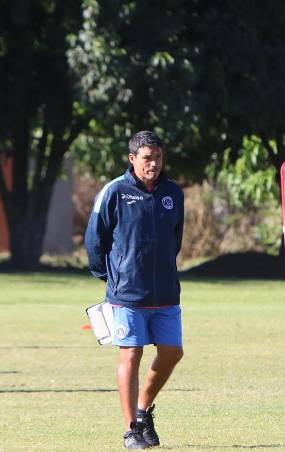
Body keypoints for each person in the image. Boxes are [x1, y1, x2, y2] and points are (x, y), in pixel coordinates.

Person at [85, 131, 185, 449]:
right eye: (146, 158)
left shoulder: (173, 193)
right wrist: (110, 277)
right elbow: (94, 240)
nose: (153, 163)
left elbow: (175, 239)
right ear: (132, 159)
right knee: (131, 354)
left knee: (172, 352)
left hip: (166, 292)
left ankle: (143, 410)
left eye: (157, 157)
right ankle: (130, 430)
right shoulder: (114, 191)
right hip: (126, 294)